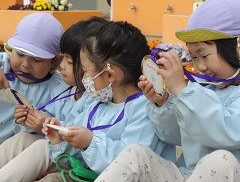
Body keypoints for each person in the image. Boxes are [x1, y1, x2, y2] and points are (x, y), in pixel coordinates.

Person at [94, 0, 240, 182]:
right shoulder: (203, 88)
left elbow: (226, 132)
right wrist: (162, 102)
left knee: (220, 160)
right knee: (136, 154)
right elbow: (177, 134)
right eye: (194, 58)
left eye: (204, 55)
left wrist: (183, 91)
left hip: (234, 176)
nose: (200, 66)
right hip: (188, 175)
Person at [39, 19, 174, 182]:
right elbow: (75, 161)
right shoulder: (98, 104)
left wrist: (90, 142)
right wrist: (61, 140)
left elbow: (127, 167)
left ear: (110, 75)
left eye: (86, 71)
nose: (84, 78)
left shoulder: (144, 108)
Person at [0, 19, 106, 182]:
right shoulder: (5, 68)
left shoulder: (82, 93)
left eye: (69, 62)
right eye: (19, 54)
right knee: (25, 138)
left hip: (70, 160)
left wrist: (47, 126)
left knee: (41, 146)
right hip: (55, 152)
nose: (26, 65)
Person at [0, 13, 64, 144]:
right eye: (20, 54)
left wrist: (44, 126)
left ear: (55, 61)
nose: (26, 64)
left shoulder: (60, 91)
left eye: (37, 60)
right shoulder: (2, 66)